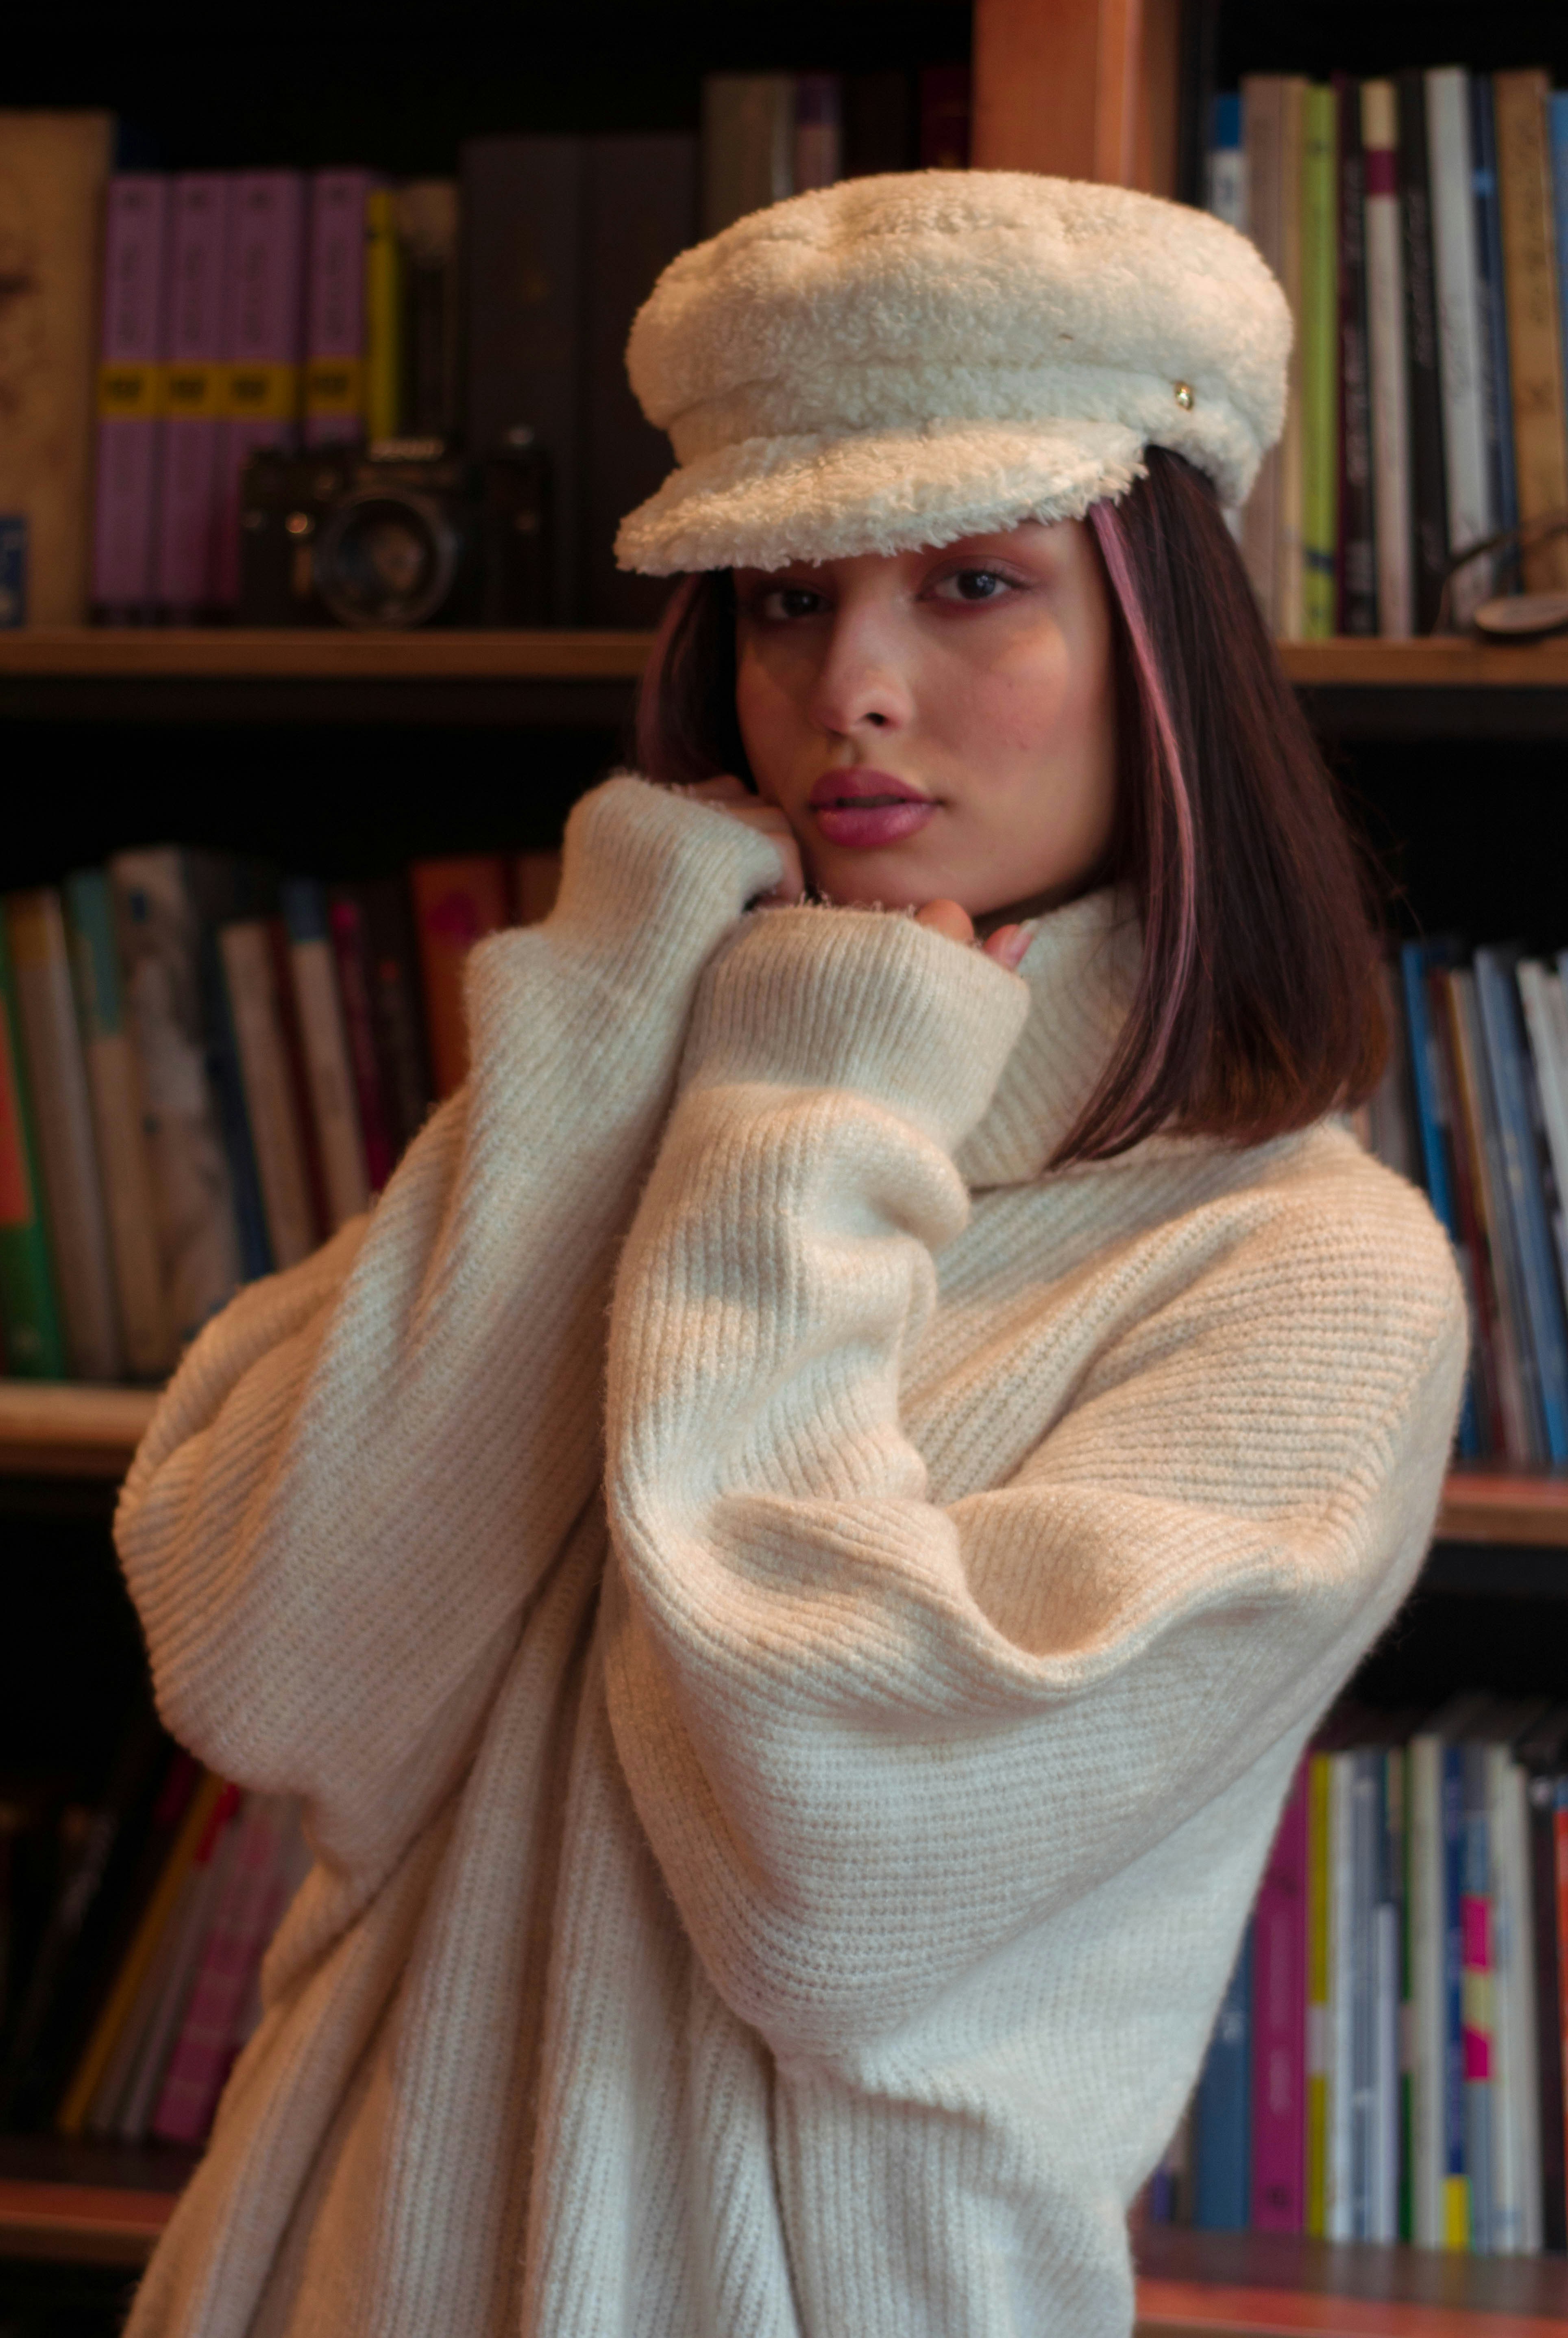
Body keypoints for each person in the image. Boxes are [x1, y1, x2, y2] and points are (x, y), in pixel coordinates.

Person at [116, 172, 1465, 2338]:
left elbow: (829, 1874)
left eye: (970, 584)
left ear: (1164, 648)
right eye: (777, 598)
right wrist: (608, 1028)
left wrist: (816, 1115)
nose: (852, 684)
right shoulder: (645, 1090)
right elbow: (271, 1669)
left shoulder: (1303, 1277)